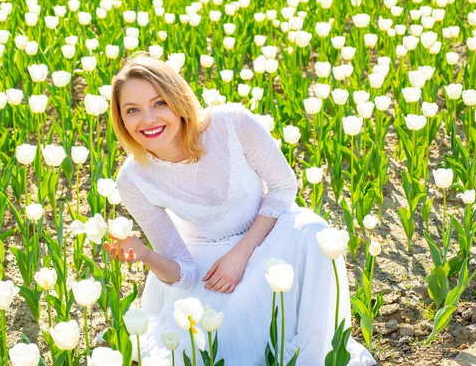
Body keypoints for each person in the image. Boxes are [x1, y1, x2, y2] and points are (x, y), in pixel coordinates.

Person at [103, 53, 376, 365]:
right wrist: (146, 254)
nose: (148, 119)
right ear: (121, 119)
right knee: (223, 345)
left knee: (315, 232)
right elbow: (185, 272)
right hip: (209, 263)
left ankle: (314, 357)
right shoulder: (133, 178)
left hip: (270, 232)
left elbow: (284, 187)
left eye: (159, 102)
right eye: (133, 110)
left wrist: (241, 254)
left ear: (178, 99)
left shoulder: (231, 124)